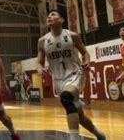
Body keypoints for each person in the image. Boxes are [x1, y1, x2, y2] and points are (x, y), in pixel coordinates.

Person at [37, 10, 106, 140]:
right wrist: (40, 68)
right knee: (79, 116)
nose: (49, 17)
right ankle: (99, 134)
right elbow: (39, 61)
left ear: (62, 20)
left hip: (75, 74)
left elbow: (85, 52)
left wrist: (87, 61)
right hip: (58, 80)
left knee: (66, 98)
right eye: (48, 16)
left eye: (53, 15)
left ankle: (74, 138)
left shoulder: (72, 35)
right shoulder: (42, 41)